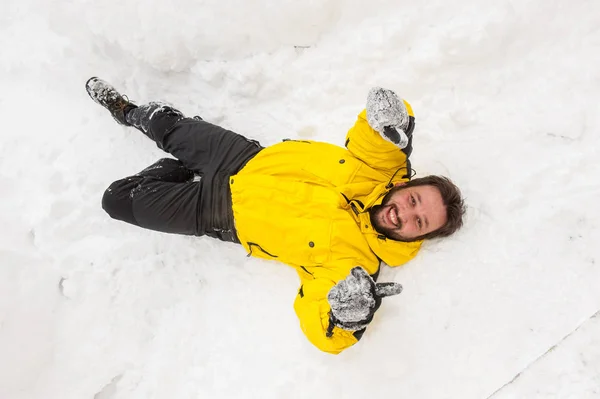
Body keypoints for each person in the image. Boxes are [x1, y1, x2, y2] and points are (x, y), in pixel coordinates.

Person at [86, 77, 466, 354]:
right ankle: (130, 112)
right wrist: (394, 119)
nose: (405, 215)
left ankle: (174, 172)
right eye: (414, 201)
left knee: (115, 200)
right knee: (165, 125)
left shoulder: (354, 267)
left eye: (420, 223)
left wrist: (343, 318)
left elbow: (322, 327)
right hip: (243, 157)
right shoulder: (382, 168)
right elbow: (383, 135)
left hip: (219, 212)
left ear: (419, 238)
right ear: (407, 185)